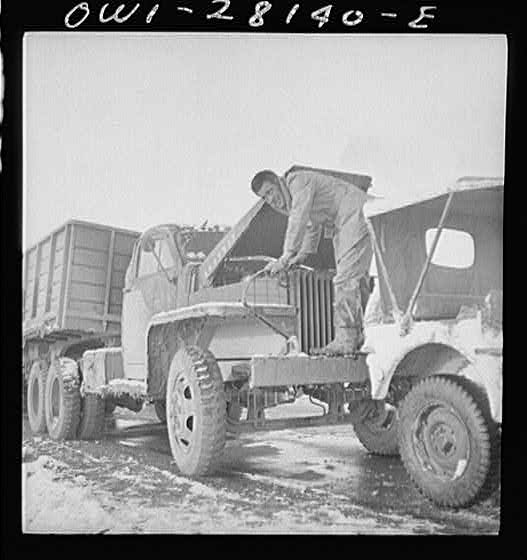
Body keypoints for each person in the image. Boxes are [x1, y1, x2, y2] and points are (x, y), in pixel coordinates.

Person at [251, 165, 373, 355]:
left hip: (353, 214)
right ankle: (366, 333)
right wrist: (300, 256)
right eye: (264, 197)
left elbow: (298, 220)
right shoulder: (293, 197)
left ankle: (346, 339)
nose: (270, 200)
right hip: (346, 219)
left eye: (270, 192)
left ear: (278, 181)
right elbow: (311, 227)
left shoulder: (297, 182)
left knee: (345, 280)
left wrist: (285, 257)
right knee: (357, 278)